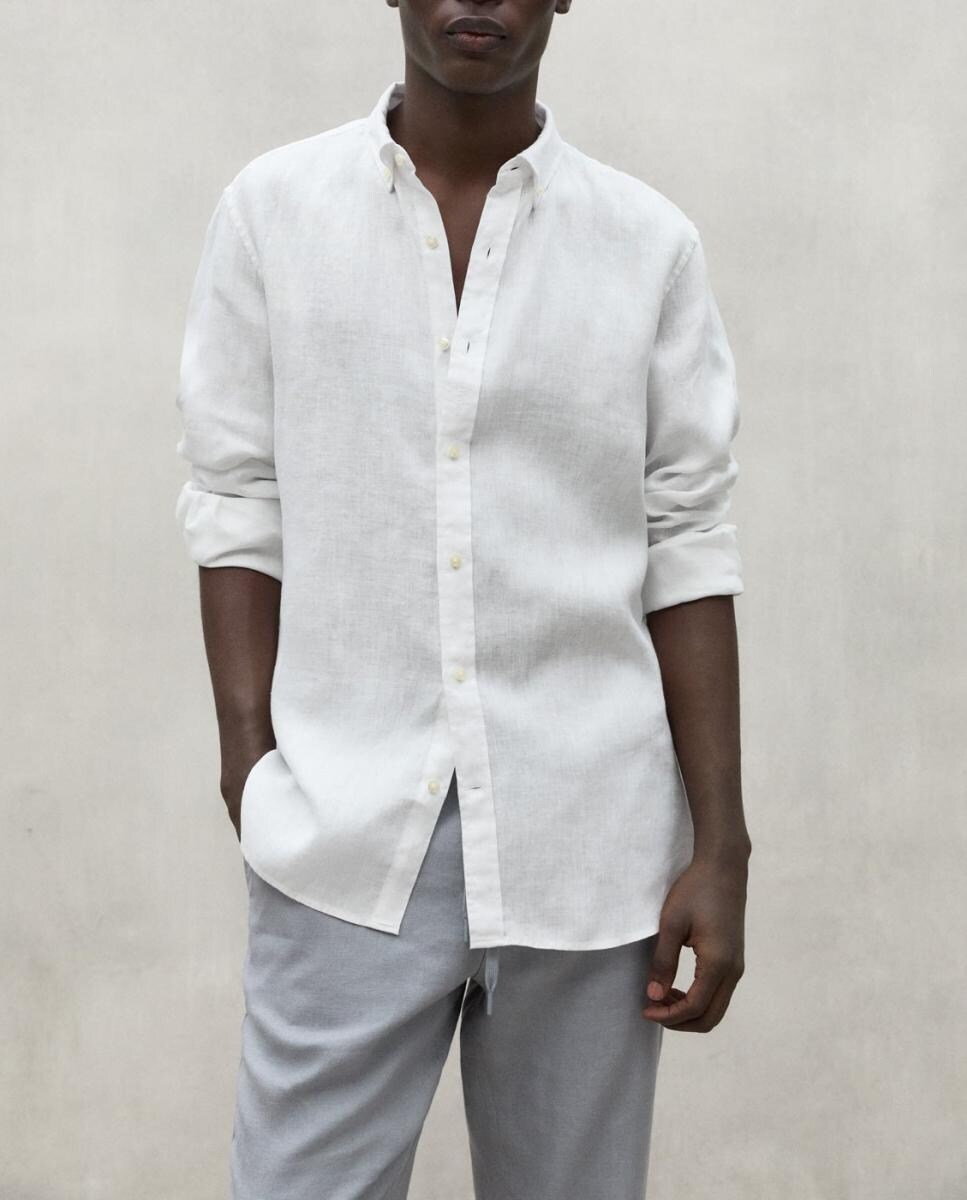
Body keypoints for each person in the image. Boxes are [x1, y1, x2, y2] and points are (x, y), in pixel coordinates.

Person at [173, 2, 751, 1197]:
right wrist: (249, 760)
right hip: (342, 832)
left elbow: (686, 539)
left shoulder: (647, 245)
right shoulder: (273, 213)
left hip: (589, 844)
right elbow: (235, 493)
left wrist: (721, 843)